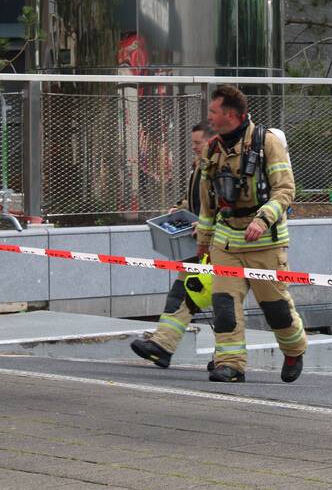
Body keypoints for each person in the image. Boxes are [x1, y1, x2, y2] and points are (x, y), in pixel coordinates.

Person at [196, 85, 307, 383]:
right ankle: (230, 364)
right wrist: (203, 241)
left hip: (265, 243)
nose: (209, 116)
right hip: (226, 243)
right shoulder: (212, 149)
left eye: (213, 111)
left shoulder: (267, 142)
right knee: (224, 307)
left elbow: (285, 190)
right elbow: (207, 201)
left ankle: (294, 349)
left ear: (231, 115)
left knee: (276, 309)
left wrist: (263, 219)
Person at [131, 122, 214, 368]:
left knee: (224, 302)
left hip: (222, 246)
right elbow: (196, 198)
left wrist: (208, 225)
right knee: (182, 292)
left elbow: (230, 205)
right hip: (200, 243)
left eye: (198, 143)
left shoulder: (223, 167)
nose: (194, 147)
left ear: (212, 141)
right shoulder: (200, 165)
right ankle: (162, 345)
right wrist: (180, 208)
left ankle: (227, 359)